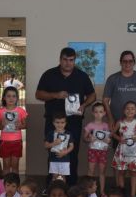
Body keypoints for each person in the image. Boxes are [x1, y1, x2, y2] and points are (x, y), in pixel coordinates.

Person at [36, 47, 96, 186]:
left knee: (72, 153)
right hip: (53, 122)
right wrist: (55, 95)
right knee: (53, 151)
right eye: (65, 60)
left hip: (74, 121)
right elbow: (38, 94)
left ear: (74, 60)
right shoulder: (49, 74)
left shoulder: (82, 76)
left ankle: (71, 184)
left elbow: (92, 95)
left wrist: (84, 104)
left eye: (71, 60)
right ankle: (52, 184)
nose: (68, 63)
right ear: (60, 59)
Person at [103, 50, 136, 133]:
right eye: (124, 61)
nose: (127, 63)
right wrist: (110, 118)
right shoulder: (112, 78)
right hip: (118, 122)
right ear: (120, 62)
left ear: (134, 62)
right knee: (118, 145)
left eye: (130, 61)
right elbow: (105, 100)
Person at [111, 101, 136, 197]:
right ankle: (121, 192)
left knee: (134, 172)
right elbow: (113, 133)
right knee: (121, 171)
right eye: (127, 108)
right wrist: (119, 139)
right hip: (122, 150)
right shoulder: (120, 122)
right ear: (123, 111)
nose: (130, 110)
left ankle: (133, 193)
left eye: (132, 108)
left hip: (133, 150)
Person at [0, 86, 27, 175]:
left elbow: (25, 125)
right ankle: (6, 186)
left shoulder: (21, 111)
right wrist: (2, 124)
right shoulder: (0, 111)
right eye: (8, 96)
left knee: (15, 166)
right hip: (4, 141)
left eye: (13, 96)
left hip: (17, 141)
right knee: (5, 166)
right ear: (4, 98)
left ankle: (15, 186)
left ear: (17, 98)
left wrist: (20, 126)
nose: (11, 98)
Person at [83, 102, 111, 197]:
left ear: (104, 113)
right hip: (92, 151)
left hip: (103, 151)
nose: (98, 114)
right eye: (96, 112)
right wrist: (89, 139)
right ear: (92, 113)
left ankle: (102, 191)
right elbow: (84, 138)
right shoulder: (90, 125)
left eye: (100, 112)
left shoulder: (106, 126)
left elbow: (108, 139)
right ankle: (89, 190)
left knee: (102, 172)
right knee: (91, 171)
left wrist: (108, 140)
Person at [44, 111, 74, 182]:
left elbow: (72, 146)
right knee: (54, 177)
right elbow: (46, 146)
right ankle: (54, 191)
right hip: (54, 159)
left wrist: (65, 152)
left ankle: (63, 192)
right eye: (57, 122)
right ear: (53, 123)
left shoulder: (68, 133)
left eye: (62, 122)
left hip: (65, 160)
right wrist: (54, 143)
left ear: (65, 123)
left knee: (63, 177)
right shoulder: (51, 133)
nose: (60, 125)